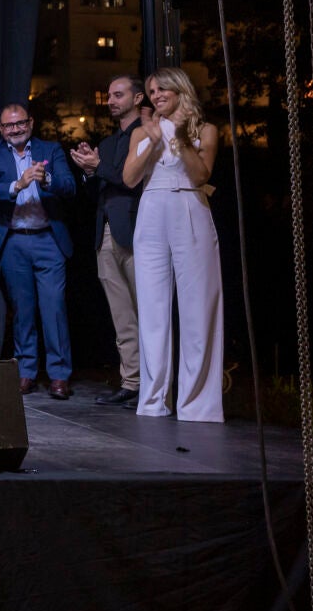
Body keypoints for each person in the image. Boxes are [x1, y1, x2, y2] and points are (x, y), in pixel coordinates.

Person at [122, 67, 224, 423]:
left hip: (190, 207)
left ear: (180, 90)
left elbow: (200, 175)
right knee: (152, 311)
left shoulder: (205, 130)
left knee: (198, 308)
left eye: (162, 89)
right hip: (152, 211)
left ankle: (197, 405)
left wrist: (179, 138)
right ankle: (153, 401)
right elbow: (130, 178)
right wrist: (152, 141)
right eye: (151, 91)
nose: (156, 95)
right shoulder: (142, 132)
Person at [0, 104, 78, 399]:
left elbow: (69, 186)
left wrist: (46, 180)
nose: (15, 129)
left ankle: (59, 375)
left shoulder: (51, 149)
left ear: (31, 123)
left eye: (20, 123)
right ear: (1, 129)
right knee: (23, 311)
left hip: (48, 239)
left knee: (54, 309)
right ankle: (26, 372)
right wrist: (18, 184)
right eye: (9, 126)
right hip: (14, 241)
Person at [70, 75, 146, 408]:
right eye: (109, 95)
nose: (111, 101)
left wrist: (99, 166)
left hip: (137, 231)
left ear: (138, 98)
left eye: (118, 95)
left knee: (148, 312)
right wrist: (90, 171)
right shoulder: (110, 141)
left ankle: (156, 384)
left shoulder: (146, 136)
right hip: (106, 233)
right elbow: (98, 192)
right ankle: (132, 382)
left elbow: (131, 181)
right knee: (122, 315)